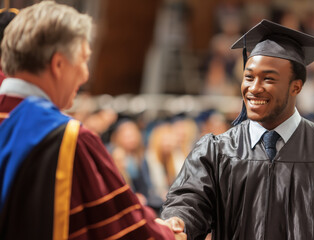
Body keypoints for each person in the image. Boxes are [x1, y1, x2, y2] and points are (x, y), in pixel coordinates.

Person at [161, 19, 314, 240]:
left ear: (296, 86)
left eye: (268, 79)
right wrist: (178, 220)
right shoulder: (217, 152)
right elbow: (189, 200)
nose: (254, 88)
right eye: (249, 77)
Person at [0, 2, 184, 239]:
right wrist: (168, 234)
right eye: (84, 59)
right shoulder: (68, 140)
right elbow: (124, 231)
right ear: (58, 64)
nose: (86, 74)